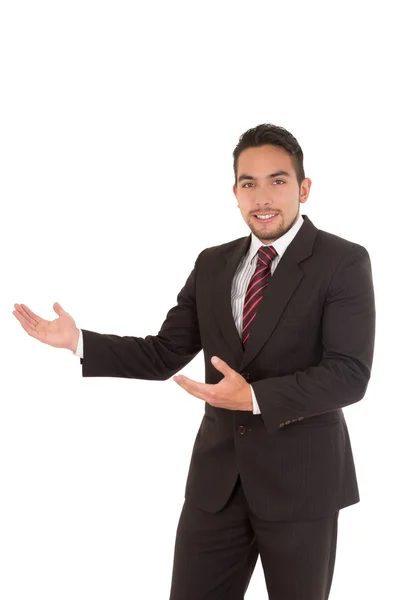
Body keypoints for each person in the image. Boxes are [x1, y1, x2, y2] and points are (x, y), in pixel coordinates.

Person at [13, 123, 376, 600]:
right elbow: (164, 353)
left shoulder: (342, 261)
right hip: (217, 484)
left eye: (278, 180)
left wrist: (253, 397)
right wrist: (79, 341)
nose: (262, 197)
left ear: (304, 188)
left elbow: (349, 374)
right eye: (249, 183)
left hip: (301, 483)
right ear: (235, 192)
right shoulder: (212, 264)